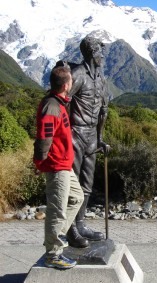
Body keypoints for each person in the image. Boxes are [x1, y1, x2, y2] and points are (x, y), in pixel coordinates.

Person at [33, 66, 85, 269]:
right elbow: (44, 138)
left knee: (77, 198)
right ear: (66, 85)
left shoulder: (60, 103)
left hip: (64, 164)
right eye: (71, 81)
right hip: (56, 166)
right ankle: (53, 254)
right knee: (57, 211)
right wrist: (40, 162)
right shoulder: (51, 106)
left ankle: (57, 237)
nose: (72, 83)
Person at [65, 35, 111, 246]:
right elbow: (61, 102)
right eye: (100, 52)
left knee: (87, 184)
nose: (103, 56)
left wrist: (100, 138)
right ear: (93, 53)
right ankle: (70, 229)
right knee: (71, 184)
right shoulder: (77, 75)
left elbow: (104, 110)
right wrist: (64, 133)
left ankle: (81, 223)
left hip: (92, 136)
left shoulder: (100, 78)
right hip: (75, 134)